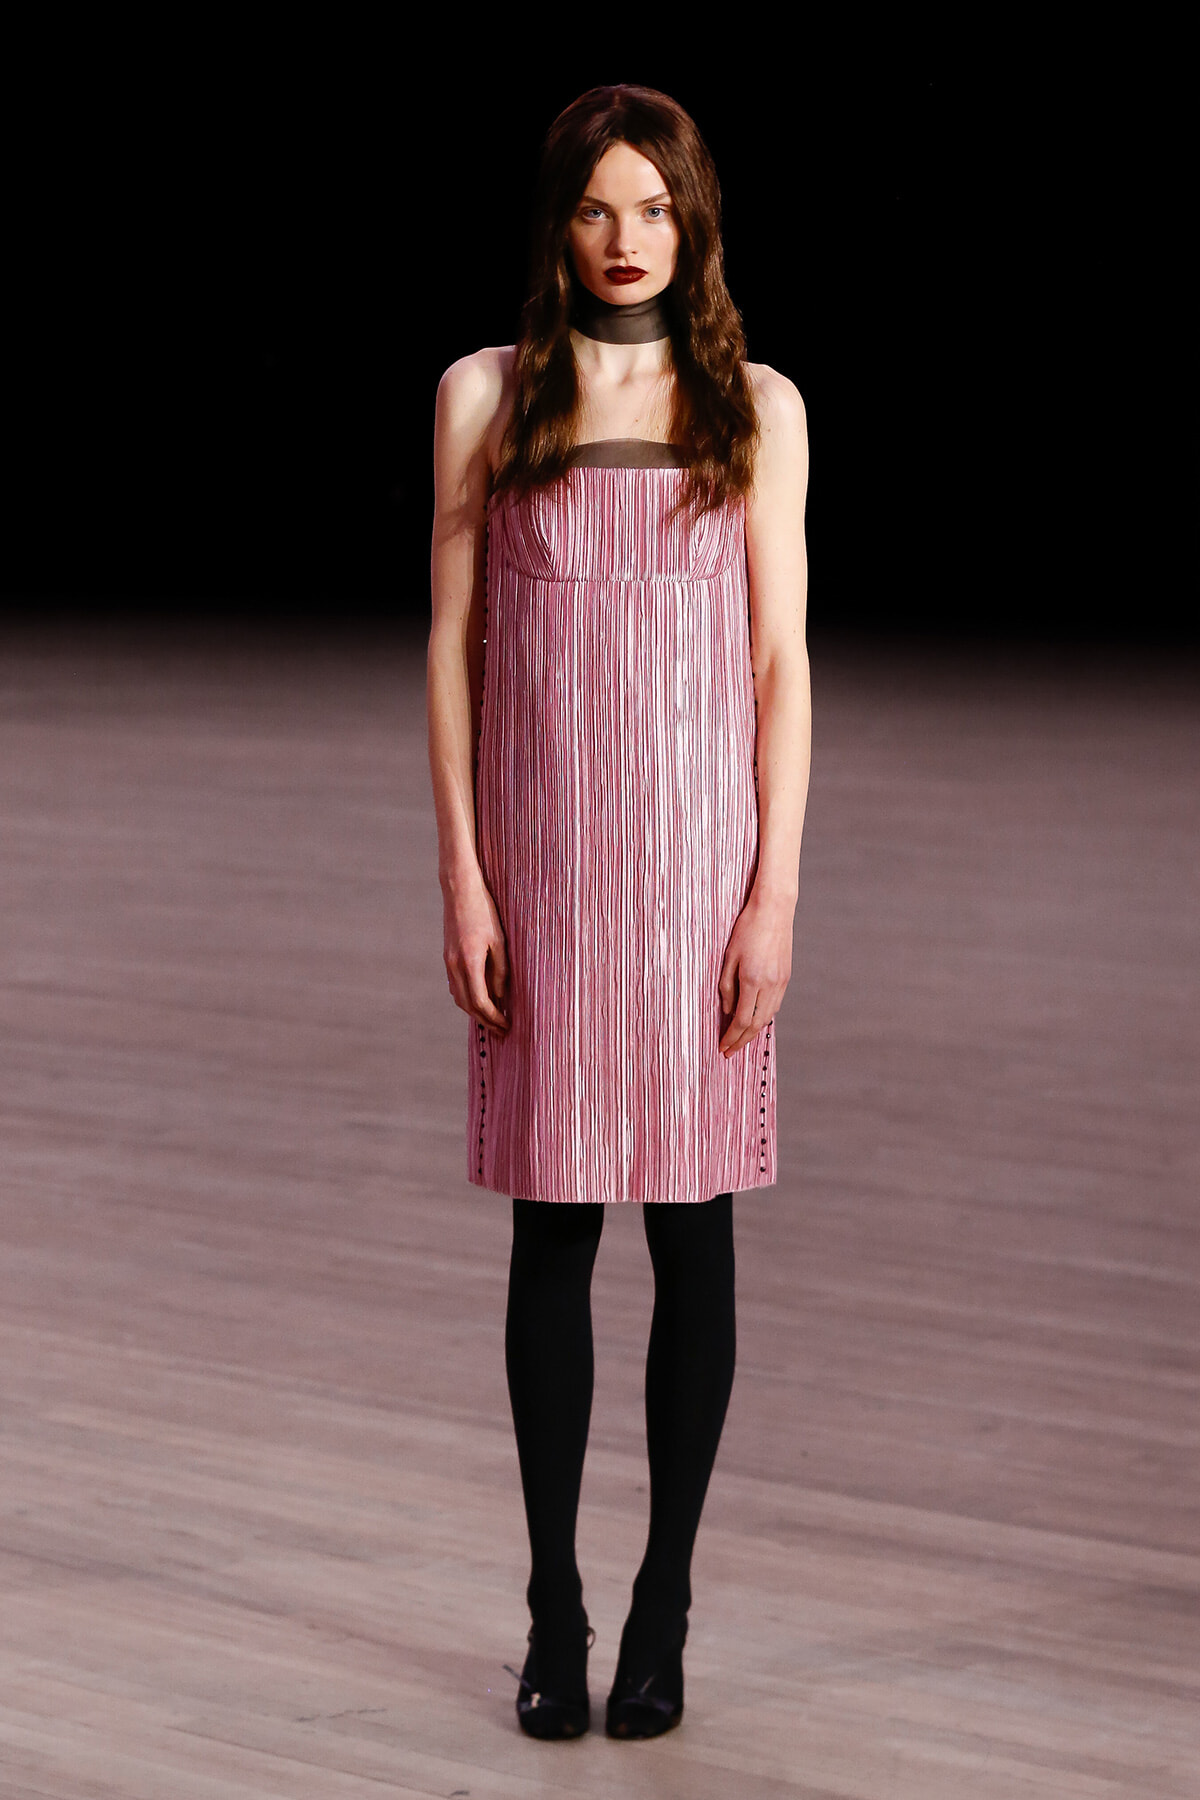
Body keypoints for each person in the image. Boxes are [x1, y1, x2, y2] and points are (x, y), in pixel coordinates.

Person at [426, 83, 810, 1741]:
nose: (626, 238)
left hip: (702, 874)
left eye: (655, 208)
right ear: (559, 224)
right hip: (547, 871)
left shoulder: (758, 405)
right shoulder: (486, 395)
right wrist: (461, 871)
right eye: (597, 207)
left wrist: (773, 891)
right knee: (555, 1233)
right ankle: (554, 1606)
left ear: (693, 221)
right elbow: (451, 648)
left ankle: (664, 1605)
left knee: (696, 1233)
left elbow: (782, 665)